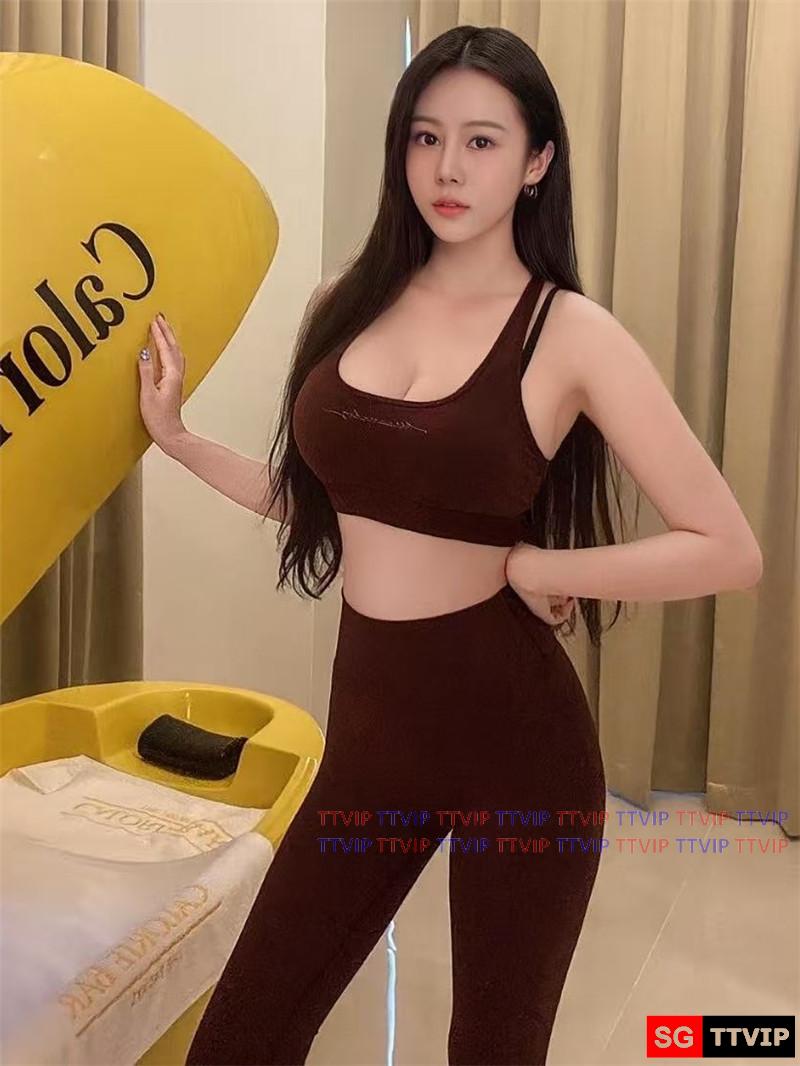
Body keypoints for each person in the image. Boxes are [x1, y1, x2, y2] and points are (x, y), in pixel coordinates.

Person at [138, 25, 763, 1066]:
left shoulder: (568, 332)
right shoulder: (344, 303)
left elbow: (727, 548)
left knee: (491, 1049)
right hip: (373, 741)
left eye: (481, 141)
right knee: (242, 1036)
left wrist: (537, 566)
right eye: (425, 137)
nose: (446, 168)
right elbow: (329, 510)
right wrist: (178, 439)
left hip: (518, 748)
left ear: (536, 161)